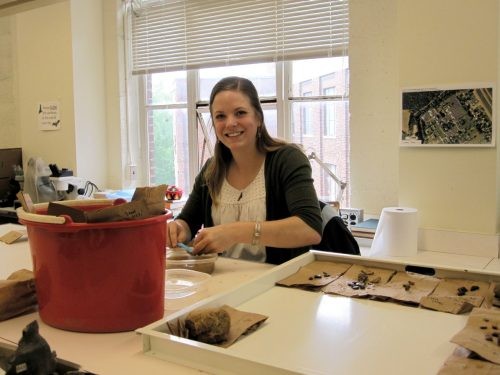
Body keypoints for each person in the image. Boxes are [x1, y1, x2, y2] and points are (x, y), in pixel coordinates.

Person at [167, 76, 322, 265]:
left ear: (258, 117)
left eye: (240, 113)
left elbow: (310, 228)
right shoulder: (211, 169)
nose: (230, 123)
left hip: (279, 287)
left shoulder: (287, 160)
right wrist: (178, 228)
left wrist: (233, 232)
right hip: (224, 284)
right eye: (220, 116)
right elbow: (187, 222)